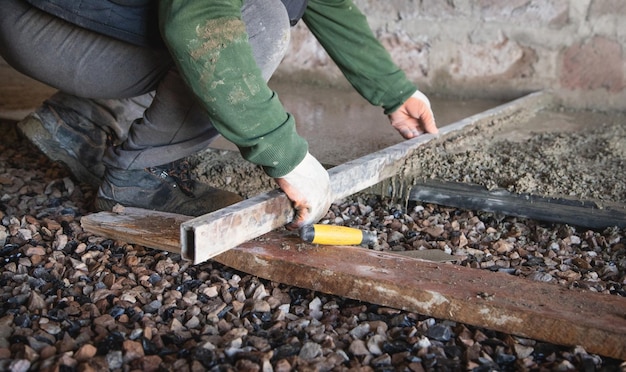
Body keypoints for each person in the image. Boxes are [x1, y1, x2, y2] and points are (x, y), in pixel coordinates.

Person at [0, 0, 437, 229]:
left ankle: (79, 119)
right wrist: (287, 155)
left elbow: (326, 2)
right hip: (40, 24)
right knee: (257, 22)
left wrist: (394, 91)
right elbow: (200, 22)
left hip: (63, 17)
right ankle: (139, 178)